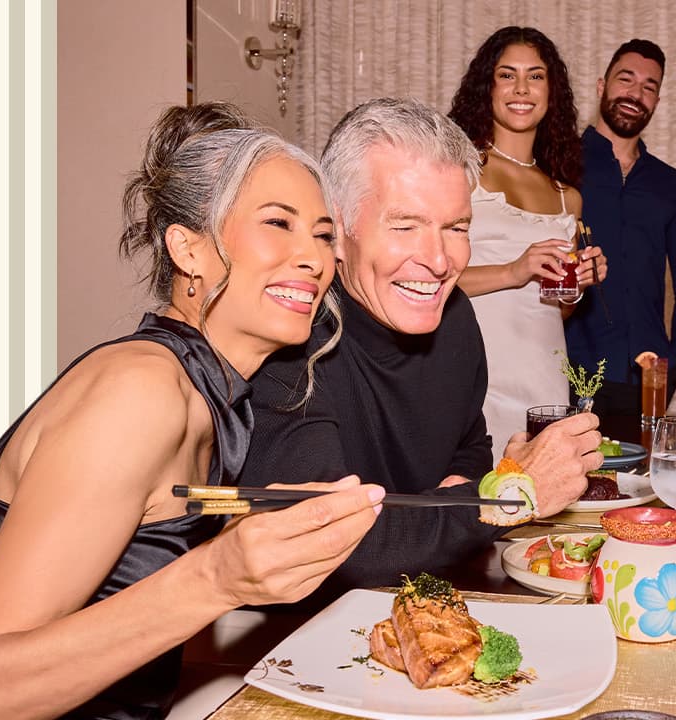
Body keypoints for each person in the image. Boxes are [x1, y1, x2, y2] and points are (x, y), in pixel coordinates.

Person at [0, 104, 383, 720]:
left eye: (323, 235)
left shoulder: (212, 392)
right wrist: (216, 576)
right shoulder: (139, 390)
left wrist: (236, 533)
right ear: (188, 248)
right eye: (279, 223)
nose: (313, 259)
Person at [238, 98, 603, 595]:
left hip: (429, 606)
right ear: (337, 231)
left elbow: (469, 449)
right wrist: (508, 495)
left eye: (456, 227)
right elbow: (340, 550)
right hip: (288, 645)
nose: (438, 261)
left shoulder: (455, 319)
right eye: (405, 225)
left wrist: (458, 500)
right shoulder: (288, 343)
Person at [449, 26, 609, 458]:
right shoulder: (459, 172)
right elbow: (426, 279)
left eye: (535, 76)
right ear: (487, 86)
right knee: (481, 505)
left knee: (542, 506)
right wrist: (512, 270)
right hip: (474, 372)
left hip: (544, 376)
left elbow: (557, 307)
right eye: (507, 75)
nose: (522, 88)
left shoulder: (566, 195)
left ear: (551, 91)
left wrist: (577, 285)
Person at [563, 39, 676, 414]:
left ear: (657, 102)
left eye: (649, 87)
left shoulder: (672, 185)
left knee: (643, 474)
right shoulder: (560, 166)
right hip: (567, 370)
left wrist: (675, 360)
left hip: (646, 378)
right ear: (601, 86)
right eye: (626, 79)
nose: (636, 94)